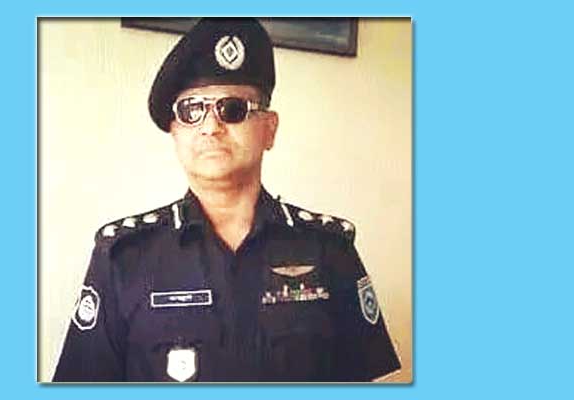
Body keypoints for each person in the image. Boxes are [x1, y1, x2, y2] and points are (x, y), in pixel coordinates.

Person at [53, 17, 400, 382]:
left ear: (269, 129)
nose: (210, 127)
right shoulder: (123, 258)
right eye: (190, 110)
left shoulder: (328, 251)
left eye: (232, 109)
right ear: (175, 133)